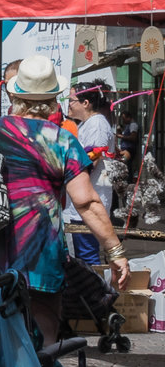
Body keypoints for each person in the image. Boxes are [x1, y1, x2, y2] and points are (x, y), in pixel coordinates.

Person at [0, 56, 130, 347]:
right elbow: (87, 202)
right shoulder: (61, 140)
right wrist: (115, 251)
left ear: (14, 94)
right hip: (38, 259)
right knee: (43, 345)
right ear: (54, 98)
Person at [63, 79, 116, 265]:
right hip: (79, 202)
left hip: (91, 199)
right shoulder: (84, 124)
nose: (68, 104)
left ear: (85, 103)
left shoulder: (97, 124)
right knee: (80, 255)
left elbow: (93, 157)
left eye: (71, 100)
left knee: (88, 256)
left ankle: (94, 293)